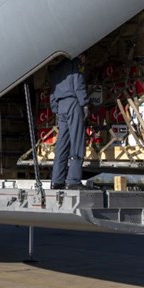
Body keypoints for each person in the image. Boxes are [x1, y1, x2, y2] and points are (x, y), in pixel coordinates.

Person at [48, 55, 87, 189]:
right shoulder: (75, 64)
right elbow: (78, 84)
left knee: (62, 144)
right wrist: (84, 103)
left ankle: (57, 180)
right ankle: (73, 180)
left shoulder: (56, 68)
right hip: (72, 103)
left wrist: (55, 108)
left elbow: (52, 91)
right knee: (77, 141)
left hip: (61, 106)